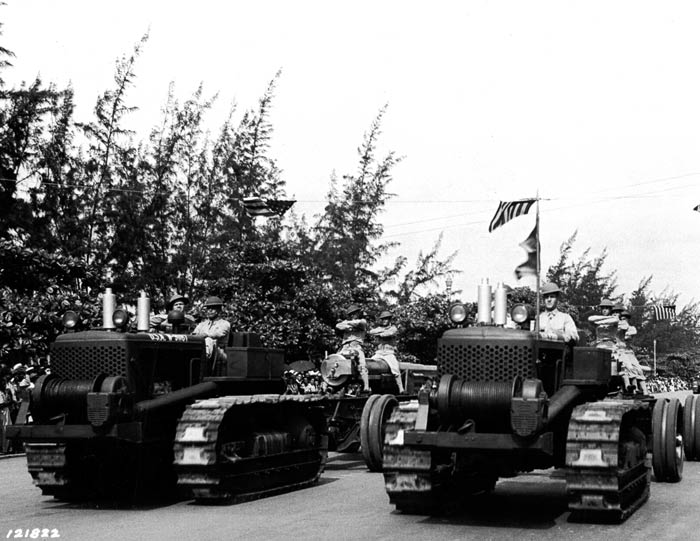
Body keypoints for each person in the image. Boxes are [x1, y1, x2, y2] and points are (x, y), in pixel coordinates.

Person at [336, 304, 370, 392]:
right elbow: (338, 325)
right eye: (351, 314)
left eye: (354, 313)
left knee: (362, 364)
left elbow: (360, 323)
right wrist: (348, 325)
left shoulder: (363, 321)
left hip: (356, 346)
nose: (352, 315)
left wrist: (348, 324)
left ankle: (366, 386)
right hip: (345, 347)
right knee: (334, 361)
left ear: (358, 313)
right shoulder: (347, 322)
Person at [369, 311, 404, 393]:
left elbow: (389, 334)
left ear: (389, 320)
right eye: (383, 319)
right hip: (379, 353)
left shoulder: (393, 328)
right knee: (369, 365)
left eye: (386, 319)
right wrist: (381, 332)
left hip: (389, 353)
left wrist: (380, 333)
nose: (384, 321)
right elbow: (371, 332)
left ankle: (401, 388)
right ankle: (369, 388)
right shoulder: (380, 328)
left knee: (395, 369)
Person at [192, 296, 231, 365]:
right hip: (201, 350)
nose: (209, 311)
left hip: (219, 353)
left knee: (208, 340)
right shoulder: (202, 324)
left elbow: (218, 334)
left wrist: (205, 335)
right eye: (208, 308)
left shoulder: (225, 324)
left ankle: (204, 361)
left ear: (219, 310)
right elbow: (194, 335)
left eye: (213, 309)